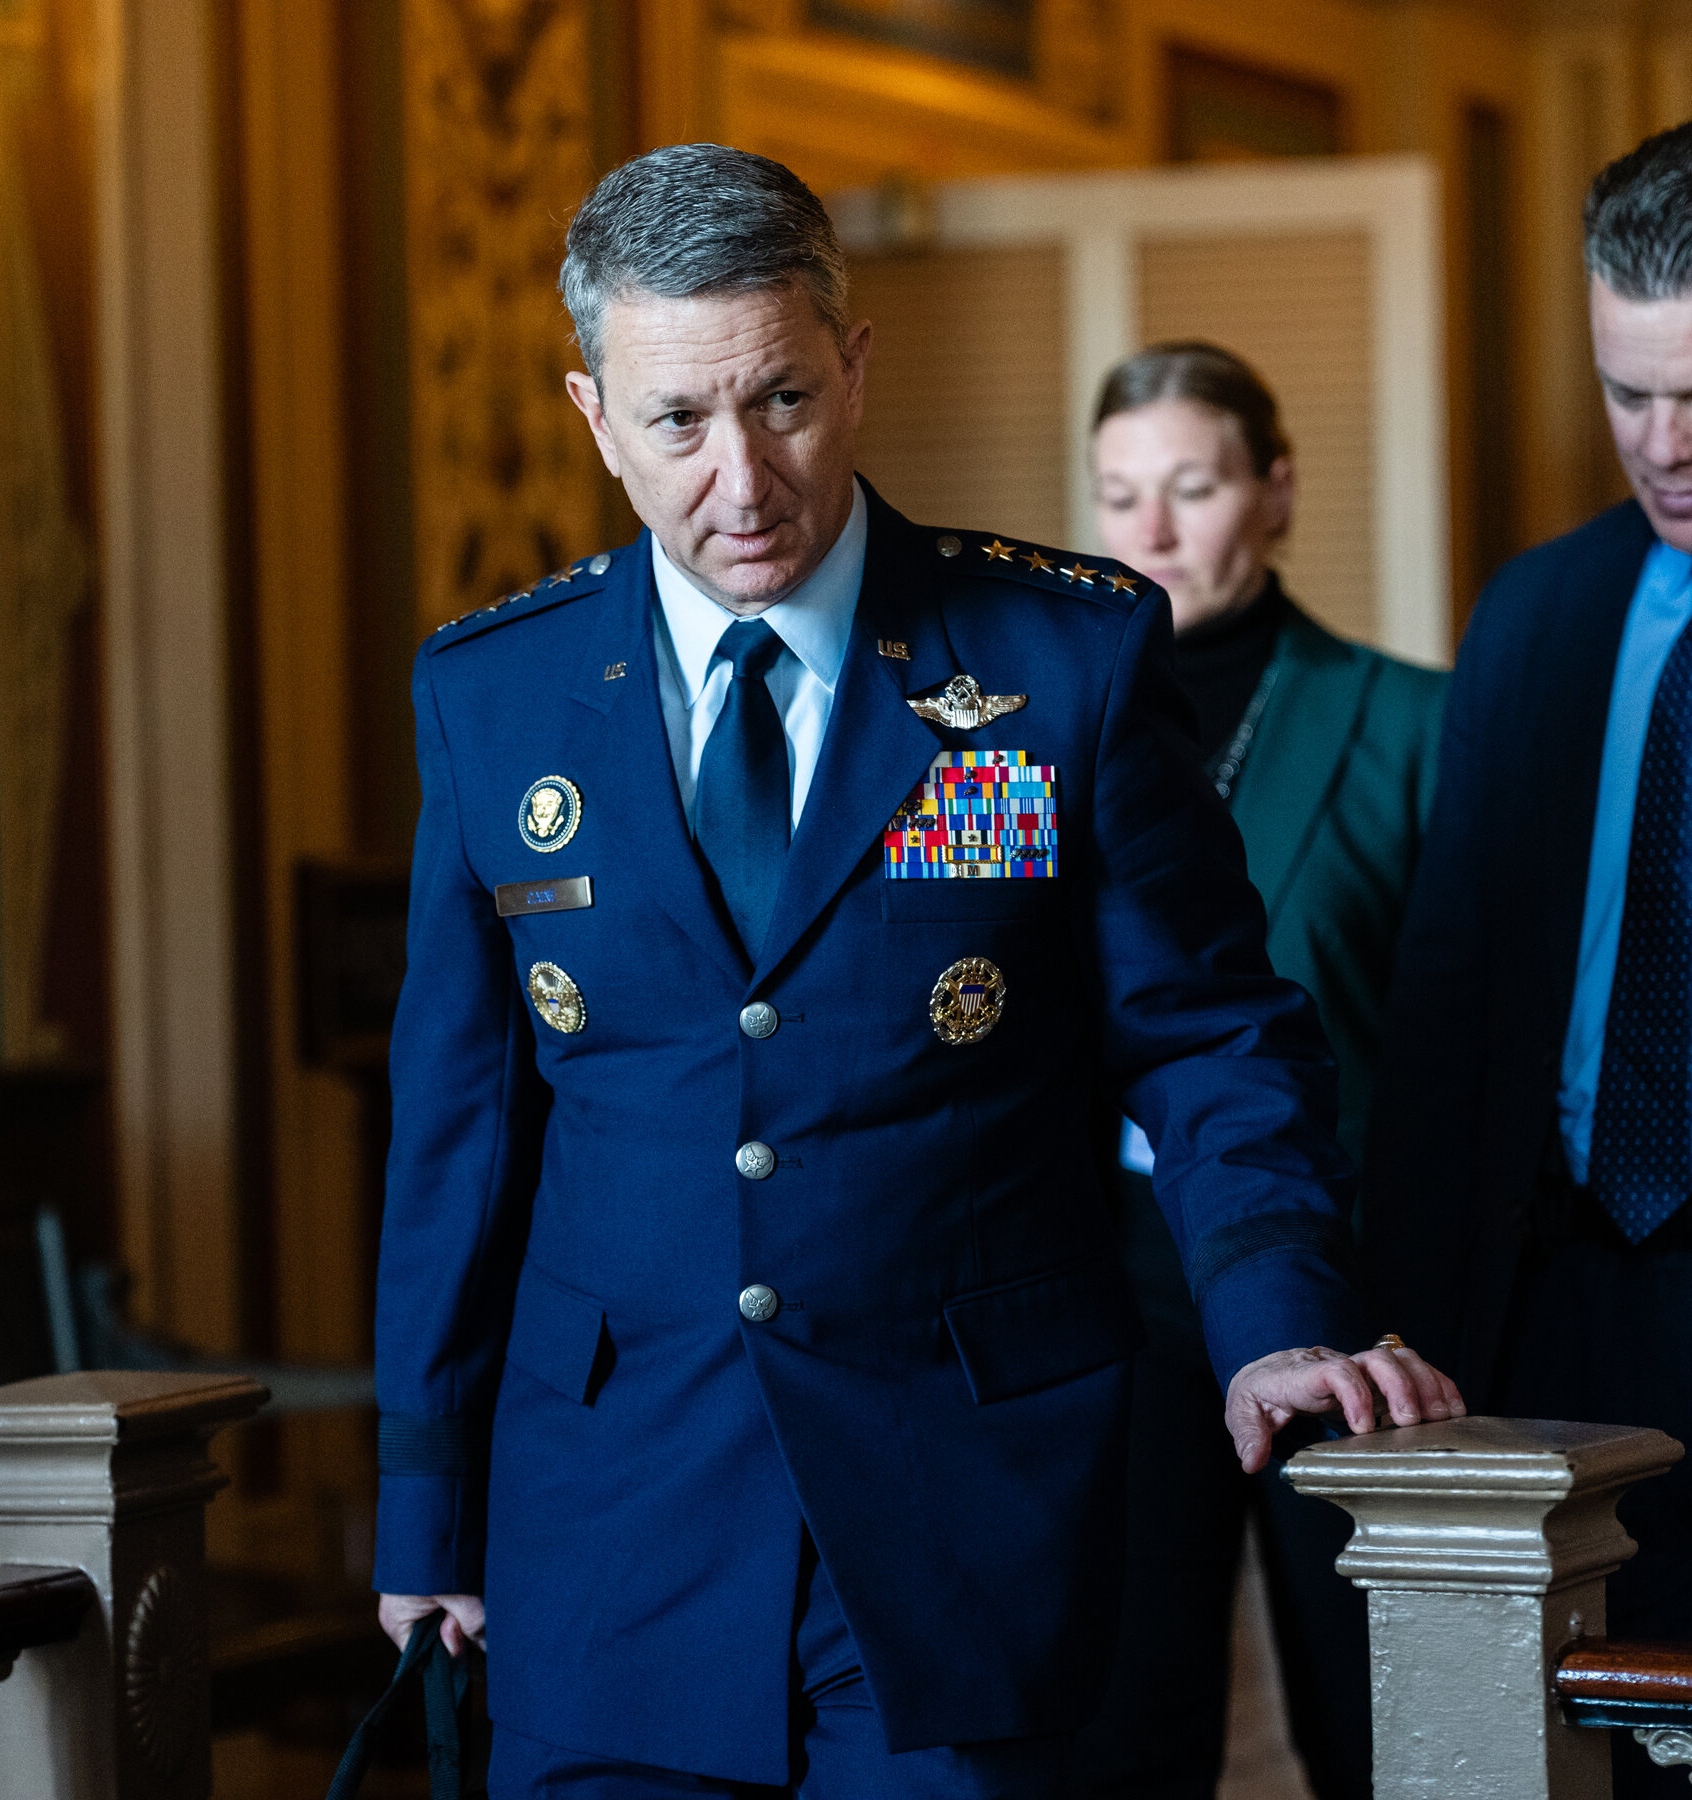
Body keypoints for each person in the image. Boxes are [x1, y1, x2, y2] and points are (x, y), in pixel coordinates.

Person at [370, 142, 1463, 1799]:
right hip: (611, 1523)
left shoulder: (1062, 657)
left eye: (784, 402)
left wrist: (1275, 1320)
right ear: (595, 418)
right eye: (678, 422)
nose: (744, 479)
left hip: (960, 1513)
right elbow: (458, 1136)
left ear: (855, 366)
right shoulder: (492, 696)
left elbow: (1209, 1036)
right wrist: (425, 1513)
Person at [1071, 343, 1449, 1800]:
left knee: (1372, 1711)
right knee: (1126, 1713)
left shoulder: (1410, 722)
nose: (1153, 531)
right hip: (1108, 1271)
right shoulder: (1039, 718)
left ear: (1276, 492)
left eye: (1194, 487)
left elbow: (1458, 1042)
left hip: (1336, 1271)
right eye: (1120, 496)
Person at [1366, 121, 1692, 1800]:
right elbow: (1448, 1004)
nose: (1665, 445)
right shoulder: (1539, 614)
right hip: (1553, 1297)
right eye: (1629, 393)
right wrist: (1412, 1333)